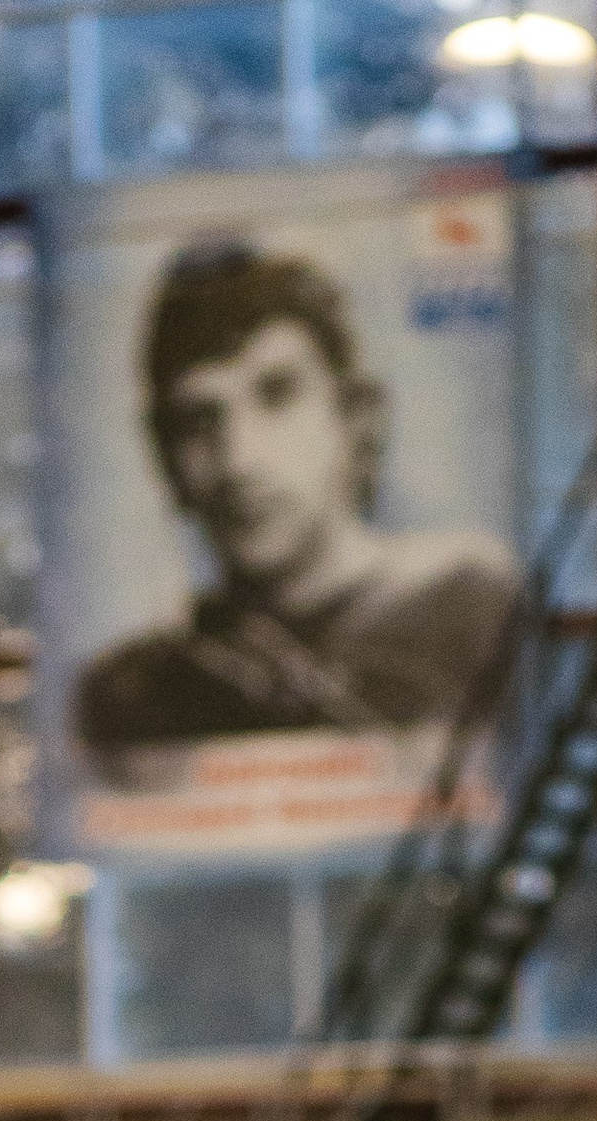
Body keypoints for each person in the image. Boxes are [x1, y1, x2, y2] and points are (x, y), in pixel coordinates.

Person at [72, 238, 516, 766]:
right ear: (166, 460)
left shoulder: (466, 600)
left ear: (356, 417)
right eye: (199, 421)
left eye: (276, 395)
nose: (238, 460)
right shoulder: (139, 692)